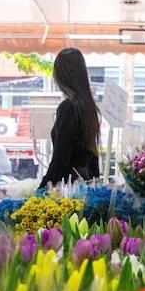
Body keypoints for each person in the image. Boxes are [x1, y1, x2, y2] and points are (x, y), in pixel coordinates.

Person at [39, 48, 101, 188]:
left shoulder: (68, 108)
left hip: (68, 187)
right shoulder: (88, 106)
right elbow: (93, 155)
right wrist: (96, 186)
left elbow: (61, 159)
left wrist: (41, 190)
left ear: (61, 75)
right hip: (83, 183)